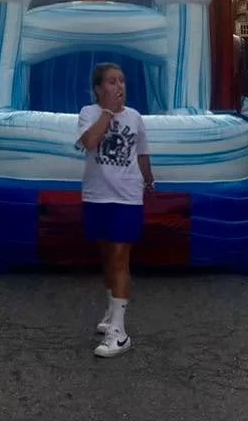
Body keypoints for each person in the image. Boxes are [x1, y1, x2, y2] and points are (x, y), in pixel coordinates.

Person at [76, 63, 154, 358]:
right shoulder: (88, 113)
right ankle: (111, 310)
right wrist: (108, 112)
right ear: (98, 89)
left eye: (122, 80)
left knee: (120, 256)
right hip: (97, 196)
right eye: (111, 81)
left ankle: (119, 333)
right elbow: (90, 142)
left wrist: (149, 180)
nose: (119, 86)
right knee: (107, 254)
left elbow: (142, 153)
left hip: (127, 197)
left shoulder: (135, 117)